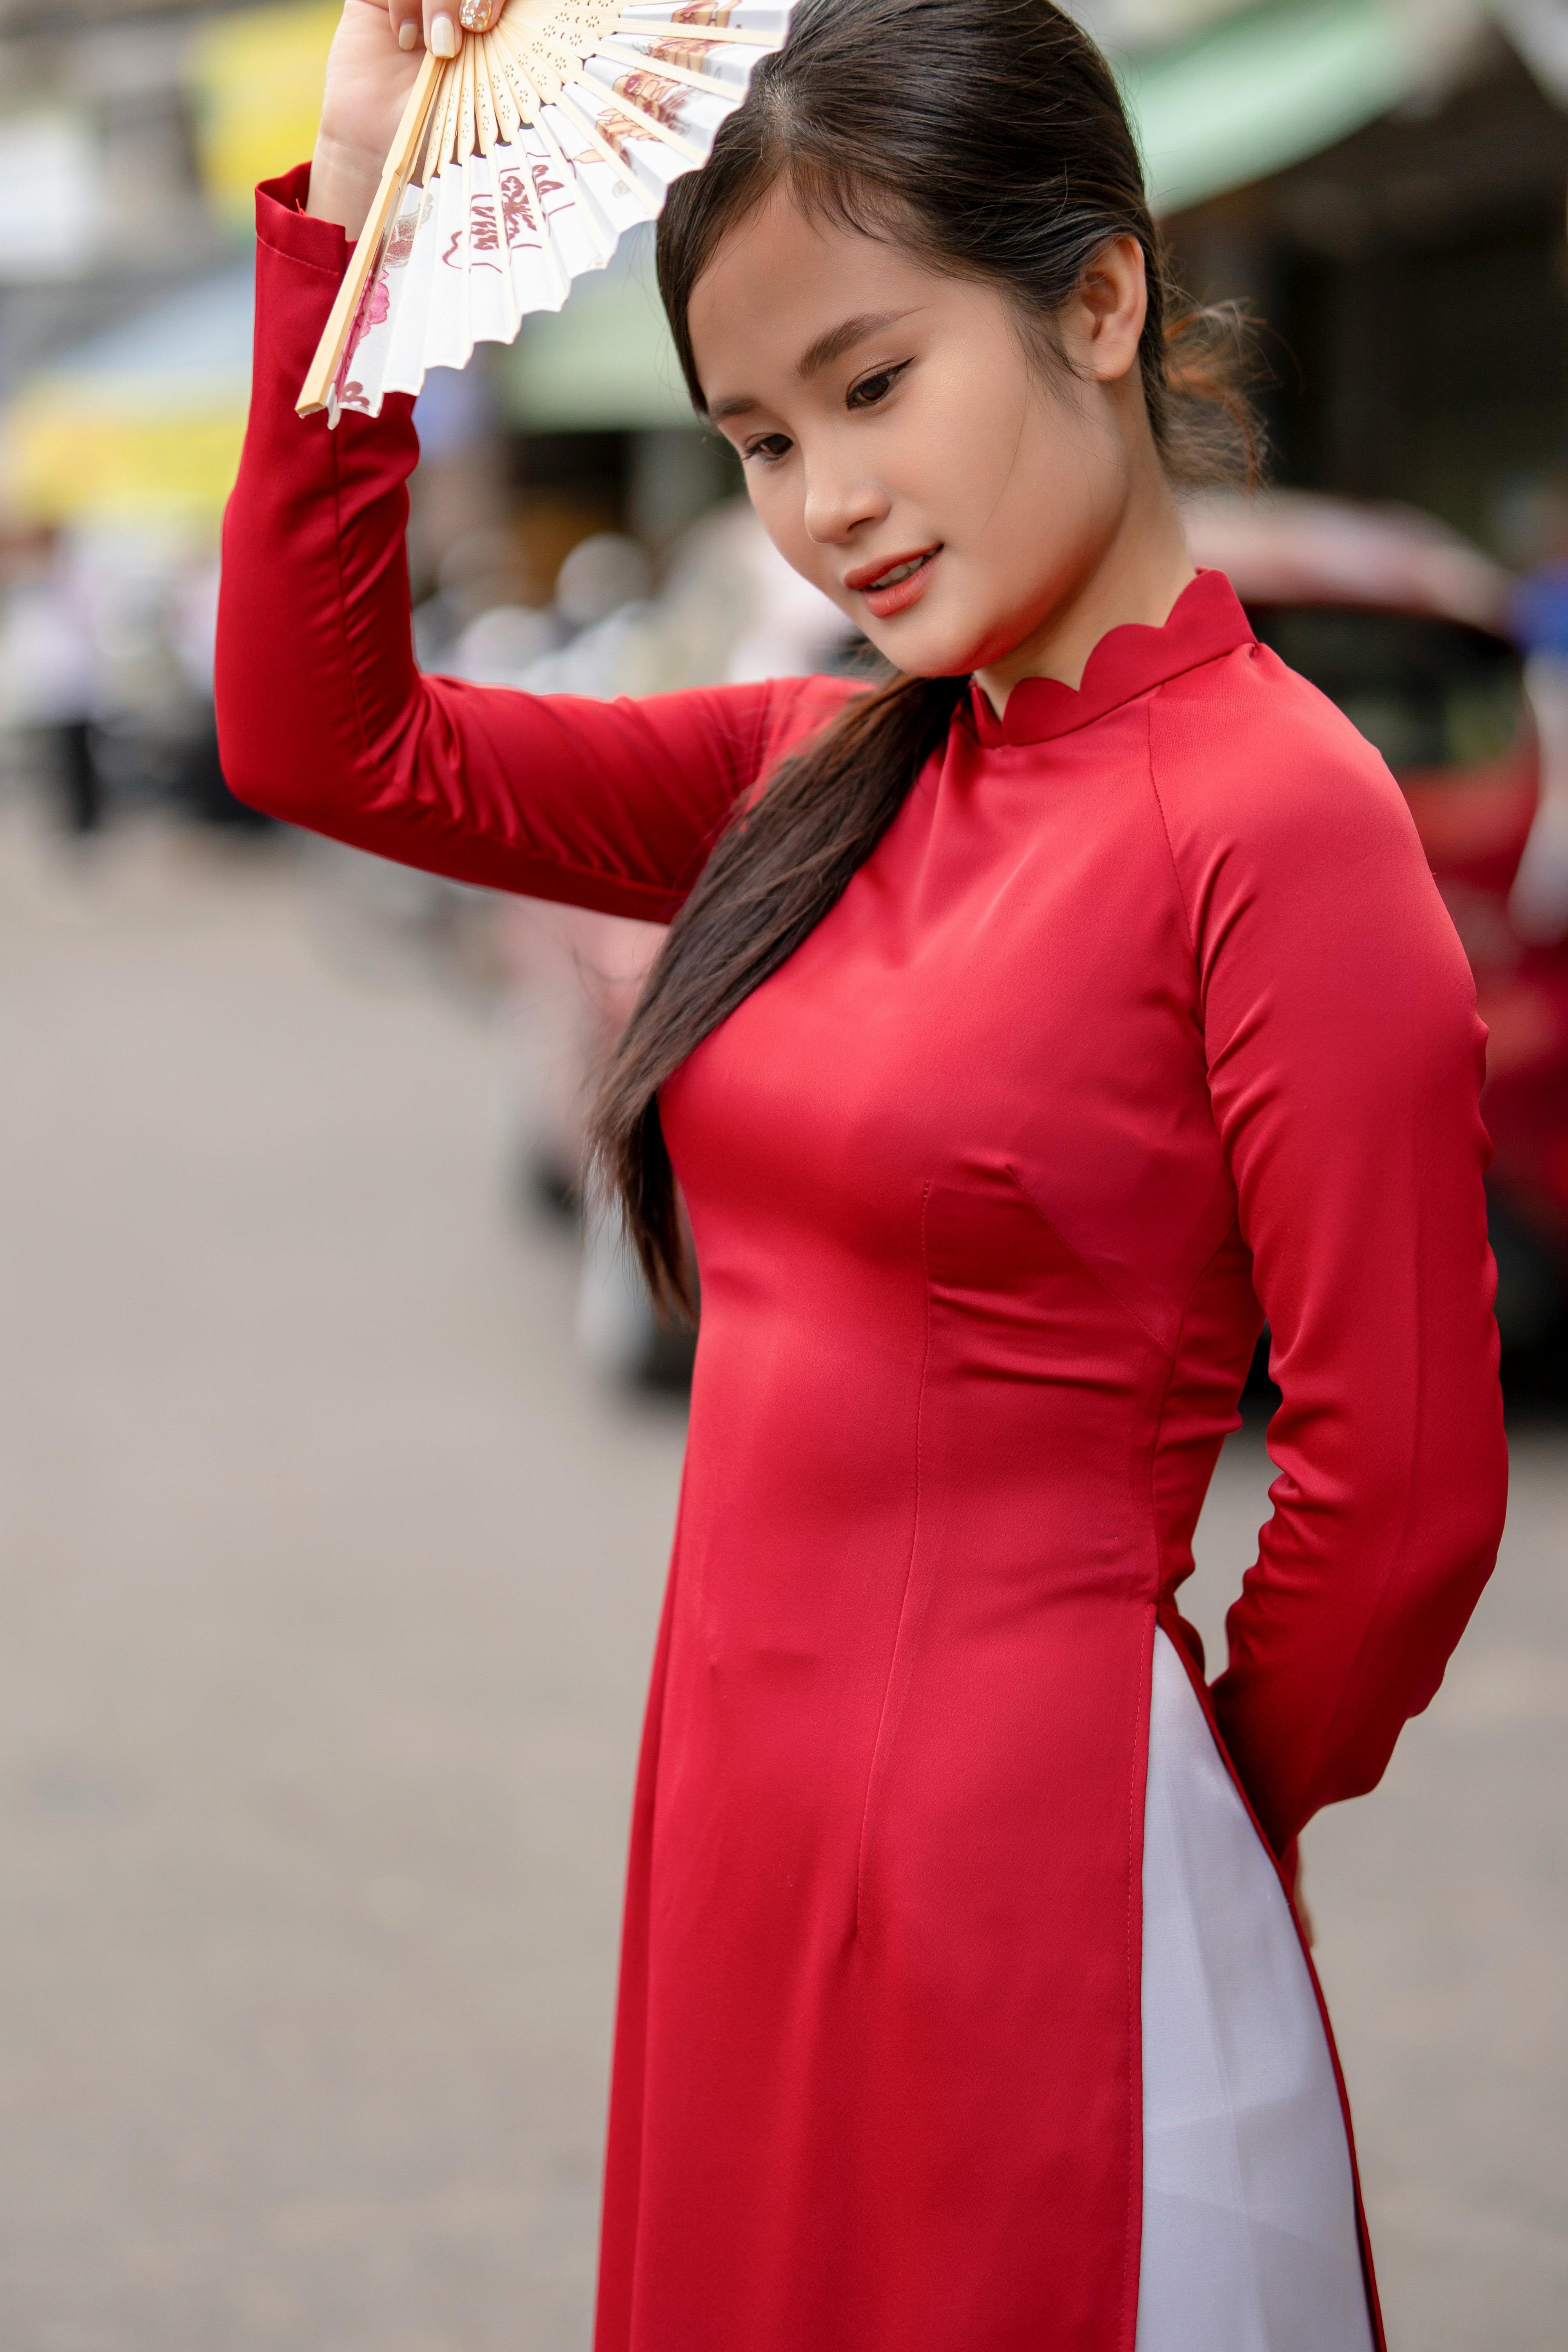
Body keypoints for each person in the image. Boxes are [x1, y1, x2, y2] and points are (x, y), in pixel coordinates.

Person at [214, 2, 1509, 2345]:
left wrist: (1179, 1791)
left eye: (874, 383)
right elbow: (322, 733)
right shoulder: (809, 771)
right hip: (734, 1817)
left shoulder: (1281, 817)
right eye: (760, 436)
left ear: (1098, 301)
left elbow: (1402, 1490)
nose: (823, 498)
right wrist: (360, 218)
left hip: (1048, 1876)